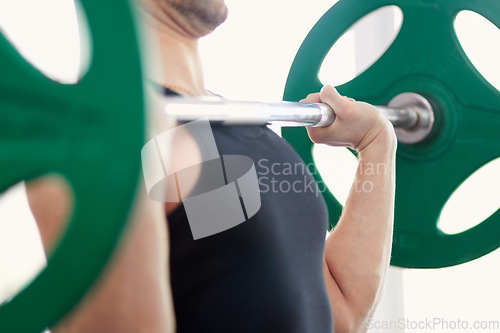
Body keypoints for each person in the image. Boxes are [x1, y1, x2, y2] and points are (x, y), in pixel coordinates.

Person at [27, 0, 397, 332]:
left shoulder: (245, 133)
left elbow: (342, 317)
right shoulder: (89, 145)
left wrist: (378, 145)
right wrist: (122, 153)